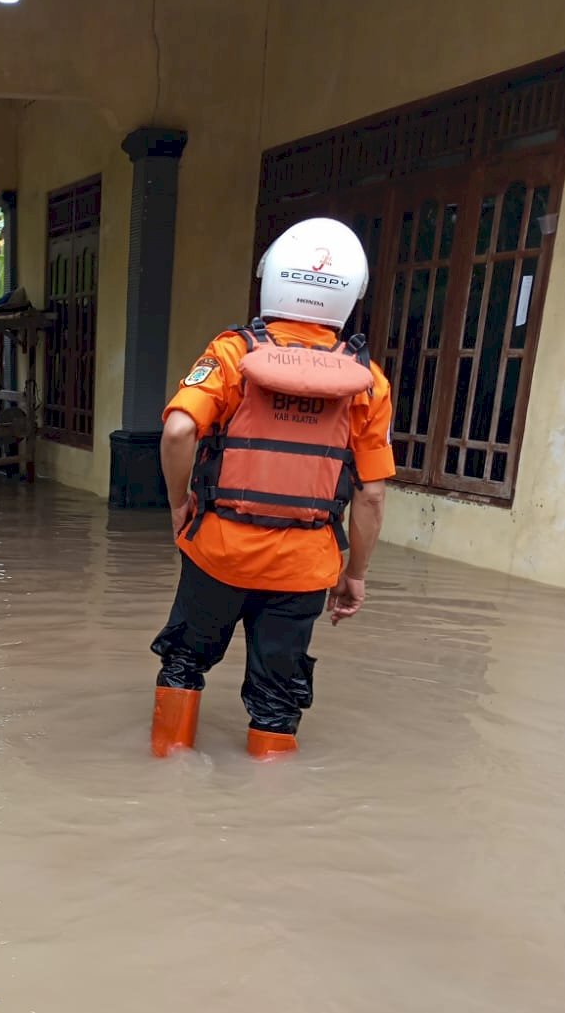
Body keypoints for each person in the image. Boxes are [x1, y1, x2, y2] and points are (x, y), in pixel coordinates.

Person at [150, 217, 395, 760]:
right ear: (351, 293)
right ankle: (270, 809)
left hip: (218, 552)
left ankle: (166, 769)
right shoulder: (369, 381)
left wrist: (177, 504)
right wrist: (354, 576)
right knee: (279, 698)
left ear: (273, 279)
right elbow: (372, 494)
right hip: (304, 568)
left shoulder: (233, 353)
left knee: (185, 662)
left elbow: (178, 429)